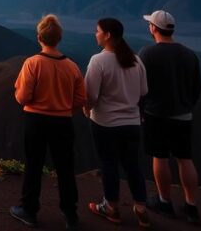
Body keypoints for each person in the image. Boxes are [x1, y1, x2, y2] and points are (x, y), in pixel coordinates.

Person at [10, 14, 86, 230]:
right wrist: (63, 107)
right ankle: (70, 214)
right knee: (65, 167)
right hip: (63, 122)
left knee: (34, 165)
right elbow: (81, 99)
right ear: (59, 38)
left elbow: (22, 97)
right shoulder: (72, 67)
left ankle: (29, 211)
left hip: (36, 121)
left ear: (39, 37)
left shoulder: (32, 64)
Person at [84, 18, 151, 228]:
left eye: (97, 31)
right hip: (132, 124)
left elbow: (91, 96)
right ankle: (141, 208)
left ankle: (111, 207)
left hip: (105, 123)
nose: (95, 34)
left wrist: (87, 109)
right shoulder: (136, 61)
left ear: (107, 35)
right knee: (133, 166)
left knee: (109, 164)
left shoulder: (98, 61)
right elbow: (143, 92)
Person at [139, 9, 201, 225]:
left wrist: (141, 110)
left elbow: (140, 87)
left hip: (155, 114)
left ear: (154, 28)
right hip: (183, 115)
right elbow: (196, 87)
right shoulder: (189, 54)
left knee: (160, 157)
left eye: (150, 24)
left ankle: (164, 201)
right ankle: (191, 207)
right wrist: (186, 105)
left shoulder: (147, 54)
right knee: (185, 159)